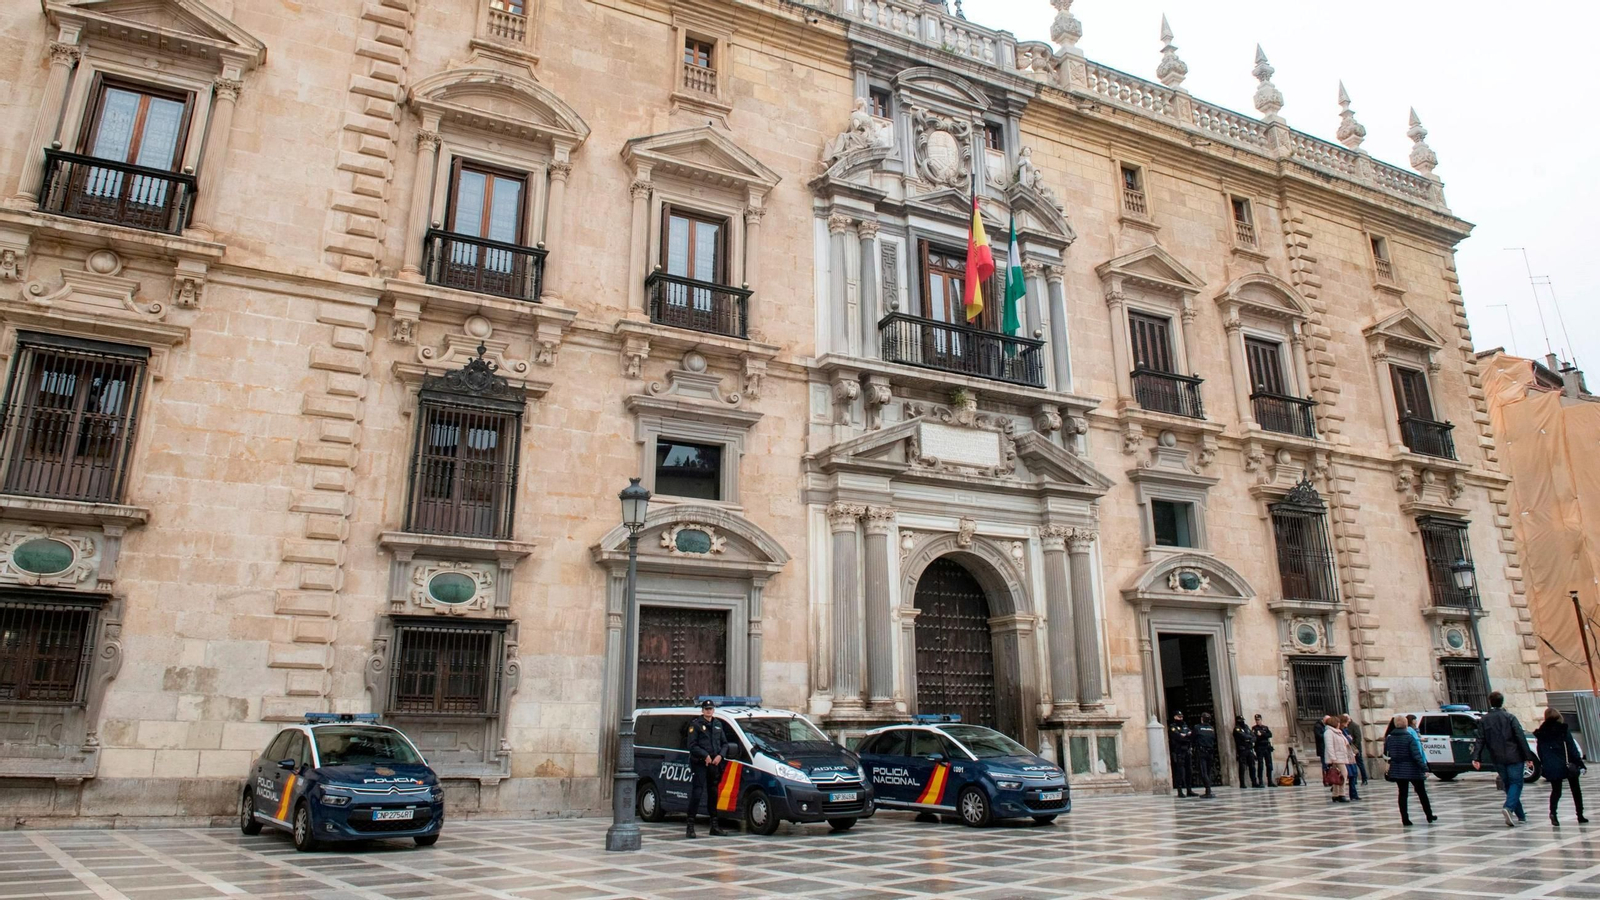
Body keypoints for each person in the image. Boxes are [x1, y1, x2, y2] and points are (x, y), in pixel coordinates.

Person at [1472, 690, 1534, 827]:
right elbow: (1520, 737)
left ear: (1490, 702)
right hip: (1514, 756)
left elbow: (1480, 739)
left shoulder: (1484, 720)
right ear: (1502, 702)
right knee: (1516, 783)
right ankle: (1508, 807)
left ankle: (1521, 815)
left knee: (1508, 785)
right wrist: (1528, 757)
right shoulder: (1510, 717)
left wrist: (1476, 757)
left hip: (1497, 756)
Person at [1534, 707, 1588, 826]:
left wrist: (1545, 764)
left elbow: (1540, 751)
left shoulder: (1541, 732)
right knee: (1575, 790)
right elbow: (1571, 748)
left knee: (1556, 791)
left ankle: (1553, 812)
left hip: (1552, 766)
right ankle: (1580, 815)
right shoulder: (1563, 729)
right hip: (1567, 764)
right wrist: (1580, 763)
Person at [684, 700, 728, 838]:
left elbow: (725, 744)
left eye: (711, 709)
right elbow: (692, 745)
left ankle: (714, 826)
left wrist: (720, 756)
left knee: (713, 793)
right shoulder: (696, 725)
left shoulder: (718, 724)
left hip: (714, 764)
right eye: (706, 709)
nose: (709, 711)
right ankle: (690, 827)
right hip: (700, 764)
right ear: (702, 710)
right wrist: (705, 756)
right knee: (697, 793)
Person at [1383, 714, 1435, 826]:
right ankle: (1429, 815)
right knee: (1422, 793)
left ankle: (1405, 819)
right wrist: (1425, 768)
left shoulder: (1389, 738)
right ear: (1406, 724)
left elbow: (1386, 754)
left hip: (1397, 769)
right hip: (1413, 769)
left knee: (1402, 794)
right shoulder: (1409, 738)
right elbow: (1416, 755)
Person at [1322, 714, 1352, 802]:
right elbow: (1329, 746)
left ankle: (1335, 794)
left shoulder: (1337, 731)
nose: (1339, 724)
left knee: (1337, 776)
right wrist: (1333, 758)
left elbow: (1345, 742)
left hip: (1341, 756)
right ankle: (1342, 794)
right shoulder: (1328, 732)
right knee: (1344, 775)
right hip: (1336, 758)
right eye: (1338, 723)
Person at [1169, 711, 1194, 798]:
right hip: (1179, 751)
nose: (1181, 718)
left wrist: (1185, 736)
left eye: (1181, 717)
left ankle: (1189, 789)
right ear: (1175, 717)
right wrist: (1184, 736)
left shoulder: (1185, 726)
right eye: (1179, 717)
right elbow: (1177, 737)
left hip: (1187, 751)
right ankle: (1180, 790)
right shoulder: (1173, 727)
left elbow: (1191, 736)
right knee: (1180, 771)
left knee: (1189, 771)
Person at [1193, 712, 1218, 798]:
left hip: (1202, 752)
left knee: (1203, 772)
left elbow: (1193, 738)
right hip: (1210, 752)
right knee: (1208, 771)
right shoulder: (1211, 728)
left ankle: (1208, 790)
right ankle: (1209, 789)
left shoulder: (1197, 727)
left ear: (1202, 719)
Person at [1340, 714, 1364, 799]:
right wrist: (1349, 739)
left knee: (1353, 774)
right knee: (1348, 775)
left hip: (1350, 754)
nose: (1348, 724)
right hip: (1346, 755)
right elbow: (1347, 740)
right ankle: (1342, 794)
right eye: (1347, 722)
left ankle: (1354, 794)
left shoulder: (1345, 730)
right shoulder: (1340, 731)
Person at [1232, 715, 1258, 788]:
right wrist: (1249, 738)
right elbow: (1243, 736)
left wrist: (1249, 739)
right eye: (1241, 720)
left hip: (1249, 749)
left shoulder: (1246, 727)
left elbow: (1253, 736)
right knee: (1242, 767)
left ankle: (1254, 782)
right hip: (1242, 750)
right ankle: (1242, 783)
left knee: (1252, 766)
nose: (1242, 722)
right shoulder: (1237, 729)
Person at [1252, 715, 1274, 788]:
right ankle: (1261, 781)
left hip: (1266, 747)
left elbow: (1270, 734)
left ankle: (1270, 781)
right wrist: (1263, 735)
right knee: (1260, 765)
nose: (1257, 721)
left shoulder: (1265, 727)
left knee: (1269, 764)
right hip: (1259, 748)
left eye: (1259, 720)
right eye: (1256, 720)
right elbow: (1256, 737)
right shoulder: (1254, 728)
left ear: (1261, 719)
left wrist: (1262, 734)